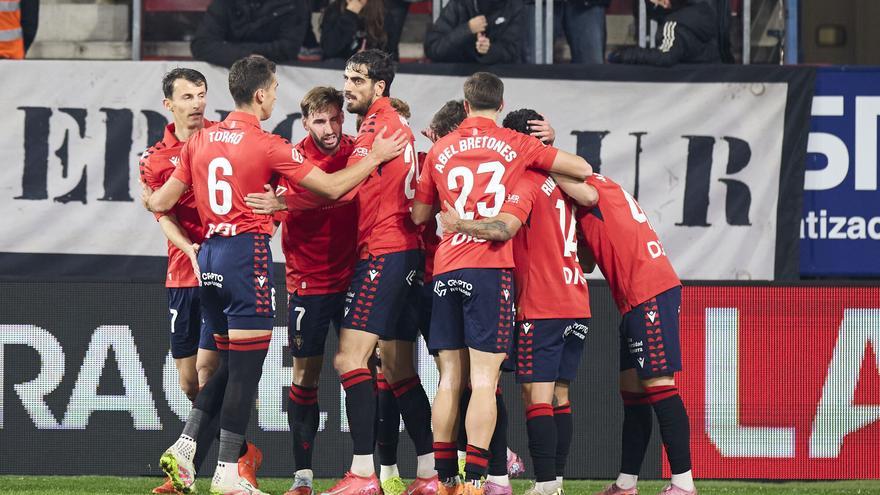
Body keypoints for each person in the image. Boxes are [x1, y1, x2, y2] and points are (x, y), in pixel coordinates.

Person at [146, 54, 406, 495]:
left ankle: (189, 444)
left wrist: (150, 198)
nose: (274, 100)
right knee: (244, 374)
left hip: (206, 259)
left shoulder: (199, 142)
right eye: (274, 93)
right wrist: (377, 155)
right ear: (262, 94)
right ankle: (226, 472)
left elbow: (159, 203)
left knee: (228, 367)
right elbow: (333, 188)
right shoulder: (267, 145)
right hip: (245, 259)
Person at [411, 72, 591, 495]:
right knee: (486, 382)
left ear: (466, 104)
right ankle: (478, 480)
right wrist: (546, 144)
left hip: (446, 268)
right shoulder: (516, 144)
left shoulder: (439, 149)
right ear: (501, 102)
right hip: (488, 271)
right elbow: (581, 171)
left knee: (449, 380)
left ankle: (444, 479)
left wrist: (451, 216)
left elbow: (420, 216)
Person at [139, 68, 265, 495]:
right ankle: (238, 450)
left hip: (222, 266)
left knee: (215, 369)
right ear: (168, 105)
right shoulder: (156, 158)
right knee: (190, 380)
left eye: (201, 95)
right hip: (182, 270)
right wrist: (187, 247)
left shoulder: (221, 138)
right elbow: (162, 214)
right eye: (187, 97)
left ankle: (201, 465)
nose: (197, 103)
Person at [319, 49, 436, 495]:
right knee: (401, 368)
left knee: (350, 359)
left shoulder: (376, 124)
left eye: (358, 79)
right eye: (346, 76)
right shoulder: (394, 125)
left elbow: (341, 188)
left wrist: (288, 200)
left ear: (380, 87)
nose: (348, 86)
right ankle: (427, 475)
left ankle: (364, 473)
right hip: (406, 253)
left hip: (384, 253)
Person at [566, 174, 695, 495]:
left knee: (660, 384)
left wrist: (536, 159)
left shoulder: (586, 185)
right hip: (632, 298)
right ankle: (626, 485)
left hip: (648, 289)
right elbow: (586, 263)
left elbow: (580, 189)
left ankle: (684, 483)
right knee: (633, 393)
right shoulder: (580, 200)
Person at [608, 0, 733, 66]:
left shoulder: (673, 26)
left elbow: (665, 56)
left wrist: (624, 55)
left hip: (693, 89)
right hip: (714, 81)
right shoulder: (703, 15)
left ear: (666, 4)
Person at [190, 0, 311, 68]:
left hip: (279, 83)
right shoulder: (225, 3)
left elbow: (288, 48)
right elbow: (201, 45)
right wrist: (246, 55)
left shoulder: (294, 4)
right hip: (228, 82)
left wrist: (243, 54)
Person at [423, 0, 526, 64]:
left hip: (498, 81)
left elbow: (514, 50)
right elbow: (433, 49)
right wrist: (467, 29)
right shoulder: (459, 4)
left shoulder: (514, 5)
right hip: (457, 78)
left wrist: (489, 50)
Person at [320, 0, 387, 60]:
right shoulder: (334, 9)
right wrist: (350, 14)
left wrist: (370, 56)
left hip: (369, 69)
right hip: (336, 68)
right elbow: (329, 49)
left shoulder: (383, 12)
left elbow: (387, 52)